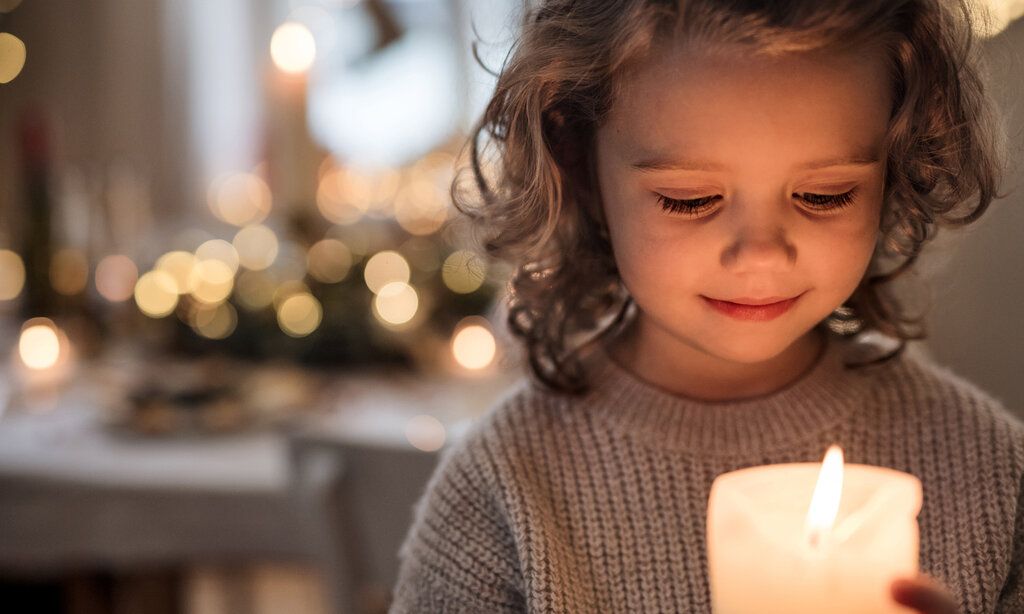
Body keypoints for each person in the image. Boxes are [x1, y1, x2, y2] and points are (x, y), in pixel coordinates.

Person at [389, 0, 1022, 612]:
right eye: (690, 200)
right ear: (579, 164)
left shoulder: (990, 472)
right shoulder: (504, 493)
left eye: (824, 195)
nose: (761, 255)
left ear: (895, 168)